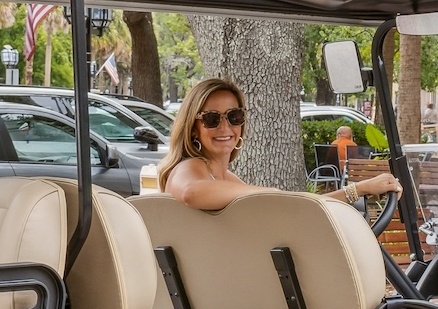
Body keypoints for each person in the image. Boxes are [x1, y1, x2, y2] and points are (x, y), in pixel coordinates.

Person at [163, 76, 401, 212]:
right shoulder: (191, 167)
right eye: (211, 118)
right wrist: (270, 193)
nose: (225, 128)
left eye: (234, 116)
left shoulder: (223, 178)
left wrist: (359, 189)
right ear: (192, 127)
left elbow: (294, 205)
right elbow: (190, 191)